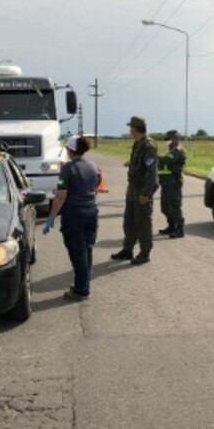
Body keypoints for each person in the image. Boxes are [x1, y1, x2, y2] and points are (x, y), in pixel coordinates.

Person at [43, 135, 100, 301]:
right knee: (87, 249)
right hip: (91, 212)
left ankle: (82, 290)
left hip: (75, 214)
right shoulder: (92, 165)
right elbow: (94, 185)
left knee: (77, 252)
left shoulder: (67, 168)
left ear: (70, 150)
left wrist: (51, 217)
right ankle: (84, 283)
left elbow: (60, 196)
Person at [111, 116, 158, 265]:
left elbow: (151, 172)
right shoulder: (137, 144)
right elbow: (140, 163)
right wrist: (131, 164)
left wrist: (145, 193)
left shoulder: (149, 145)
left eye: (131, 127)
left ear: (136, 128)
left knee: (143, 222)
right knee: (129, 221)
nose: (129, 130)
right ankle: (127, 250)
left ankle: (145, 253)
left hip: (142, 189)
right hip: (133, 188)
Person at [157, 130, 187, 238]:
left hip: (174, 183)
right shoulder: (171, 150)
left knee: (174, 206)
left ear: (175, 139)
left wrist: (156, 156)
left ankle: (179, 229)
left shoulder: (177, 151)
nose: (167, 142)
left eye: (169, 140)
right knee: (165, 207)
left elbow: (165, 160)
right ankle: (171, 226)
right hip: (166, 183)